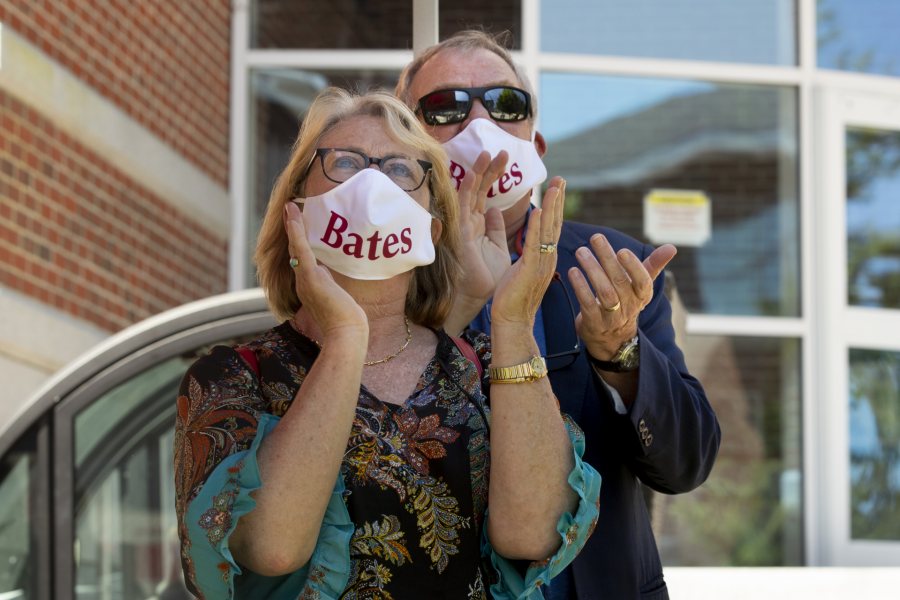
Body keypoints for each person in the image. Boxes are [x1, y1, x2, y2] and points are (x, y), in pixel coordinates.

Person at [173, 88, 601, 599]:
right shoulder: (232, 377)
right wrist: (346, 337)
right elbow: (271, 548)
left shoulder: (482, 368)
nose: (374, 182)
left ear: (432, 227)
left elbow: (533, 535)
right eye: (345, 162)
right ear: (297, 207)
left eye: (401, 169)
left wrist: (512, 324)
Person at [397, 31, 722, 600]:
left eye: (505, 104)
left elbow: (686, 465)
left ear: (536, 143)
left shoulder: (614, 269)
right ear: (407, 150)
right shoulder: (379, 281)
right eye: (445, 107)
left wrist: (621, 355)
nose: (480, 124)